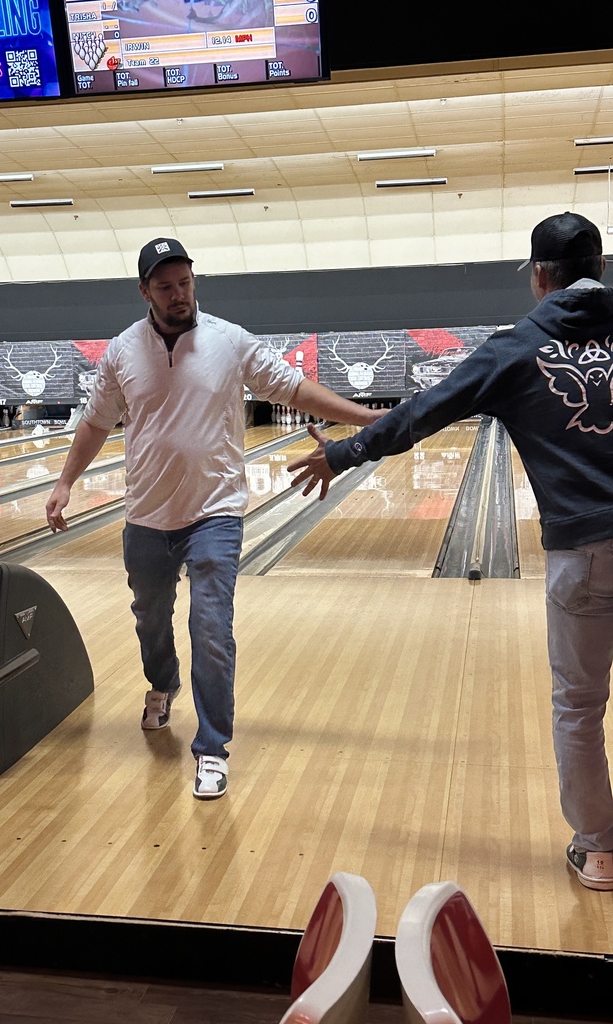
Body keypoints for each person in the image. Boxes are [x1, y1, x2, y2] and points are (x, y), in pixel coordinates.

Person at [288, 211, 613, 890]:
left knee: (580, 707)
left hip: (585, 553)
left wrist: (344, 453)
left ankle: (599, 850)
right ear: (600, 270)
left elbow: (421, 413)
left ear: (540, 277)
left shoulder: (515, 349)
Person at [46, 237, 385, 800]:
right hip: (147, 515)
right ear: (145, 291)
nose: (178, 294)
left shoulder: (230, 340)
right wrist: (64, 481)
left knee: (211, 629)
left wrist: (366, 418)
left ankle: (211, 748)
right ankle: (162, 684)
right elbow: (96, 422)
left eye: (184, 283)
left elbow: (294, 388)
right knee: (150, 618)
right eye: (165, 287)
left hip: (215, 514)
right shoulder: (122, 352)